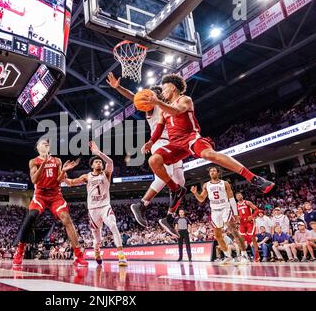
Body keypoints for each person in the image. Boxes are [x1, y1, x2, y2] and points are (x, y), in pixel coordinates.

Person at [141, 74, 275, 219]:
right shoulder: (163, 110)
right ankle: (176, 189)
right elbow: (159, 127)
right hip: (176, 145)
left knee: (209, 155)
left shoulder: (185, 100)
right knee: (153, 161)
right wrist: (151, 142)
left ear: (173, 88)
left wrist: (158, 103)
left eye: (165, 89)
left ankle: (254, 179)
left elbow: (177, 111)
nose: (163, 92)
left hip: (191, 138)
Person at [106, 73, 185, 235]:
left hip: (175, 145)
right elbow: (134, 97)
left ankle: (169, 218)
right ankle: (141, 204)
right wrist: (118, 87)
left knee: (181, 183)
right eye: (160, 91)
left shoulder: (171, 105)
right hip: (160, 142)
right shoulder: (152, 104)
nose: (163, 93)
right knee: (166, 174)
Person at [12, 138, 88, 267]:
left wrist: (63, 170)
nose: (46, 142)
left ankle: (78, 255)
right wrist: (44, 163)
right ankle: (20, 250)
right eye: (43, 142)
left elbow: (59, 180)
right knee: (31, 217)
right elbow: (34, 180)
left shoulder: (57, 160)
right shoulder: (33, 161)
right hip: (40, 195)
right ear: (38, 147)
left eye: (48, 142)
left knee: (66, 219)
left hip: (55, 195)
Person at [63, 141, 128, 267]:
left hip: (105, 206)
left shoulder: (106, 173)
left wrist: (98, 153)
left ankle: (121, 255)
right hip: (93, 209)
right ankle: (97, 250)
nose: (99, 163)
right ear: (92, 165)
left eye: (100, 162)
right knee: (98, 239)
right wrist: (63, 175)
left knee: (113, 226)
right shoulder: (86, 176)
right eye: (97, 161)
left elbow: (110, 162)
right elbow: (71, 183)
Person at [191, 167, 249, 265]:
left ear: (218, 173)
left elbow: (231, 199)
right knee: (217, 235)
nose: (212, 172)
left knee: (234, 231)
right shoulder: (206, 185)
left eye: (214, 170)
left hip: (225, 209)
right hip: (214, 211)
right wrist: (195, 193)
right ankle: (228, 256)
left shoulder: (225, 183)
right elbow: (201, 199)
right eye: (210, 171)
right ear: (209, 174)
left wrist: (235, 214)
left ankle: (244, 256)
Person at [236, 192, 260, 262]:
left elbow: (257, 210)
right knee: (241, 239)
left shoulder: (247, 202)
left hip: (249, 222)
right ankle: (244, 255)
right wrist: (237, 217)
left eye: (240, 195)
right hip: (242, 223)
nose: (238, 196)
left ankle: (257, 254)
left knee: (253, 238)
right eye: (237, 196)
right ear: (236, 198)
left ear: (242, 196)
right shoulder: (236, 205)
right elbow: (236, 215)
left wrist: (252, 216)